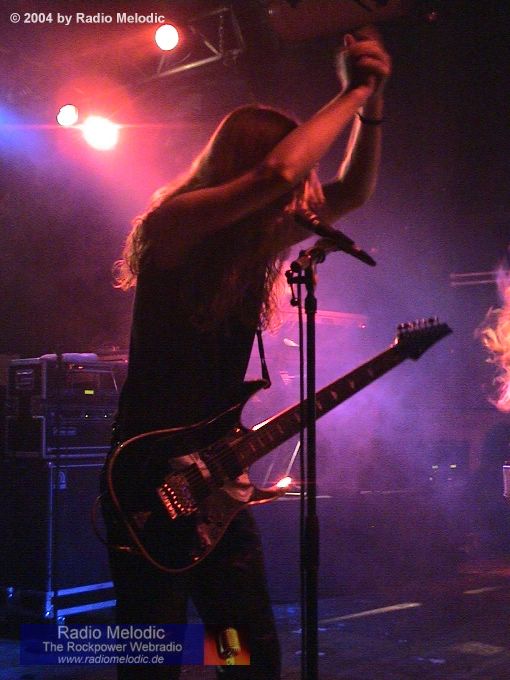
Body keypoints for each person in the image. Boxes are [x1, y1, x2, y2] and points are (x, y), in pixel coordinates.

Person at [102, 26, 391, 680]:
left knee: (247, 655)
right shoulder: (173, 224)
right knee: (152, 658)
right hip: (146, 479)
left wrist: (373, 105)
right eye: (298, 179)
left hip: (212, 481)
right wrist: (352, 90)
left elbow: (352, 192)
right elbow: (278, 172)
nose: (304, 191)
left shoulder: (249, 246)